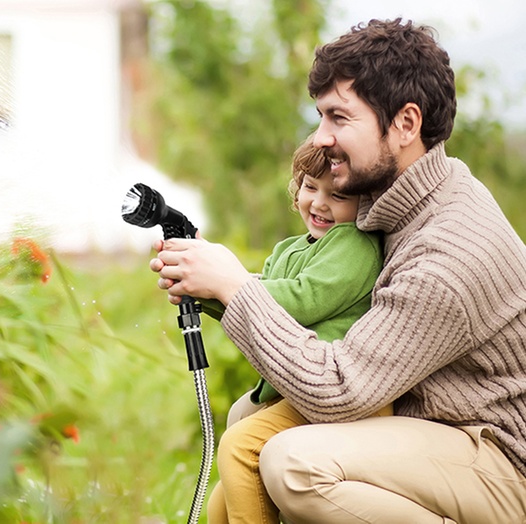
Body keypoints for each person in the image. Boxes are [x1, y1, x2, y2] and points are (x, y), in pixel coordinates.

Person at [150, 18, 526, 523]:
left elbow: (341, 389)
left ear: (406, 124)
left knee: (294, 463)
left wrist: (237, 289)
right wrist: (212, 281)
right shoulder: (409, 197)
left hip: (498, 457)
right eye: (320, 117)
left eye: (339, 118)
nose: (321, 137)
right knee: (248, 417)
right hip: (434, 424)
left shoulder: (448, 254)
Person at [201, 133, 391, 524]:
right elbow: (254, 310)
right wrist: (200, 287)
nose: (319, 203)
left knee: (239, 449)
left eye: (337, 195)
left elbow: (301, 300)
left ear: (363, 201)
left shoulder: (354, 244)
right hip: (298, 392)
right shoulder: (290, 249)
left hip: (338, 394)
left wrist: (226, 281)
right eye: (310, 186)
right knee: (221, 502)